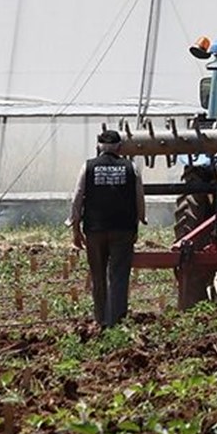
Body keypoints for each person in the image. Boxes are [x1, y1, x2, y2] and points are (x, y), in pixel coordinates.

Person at [69, 129, 146, 329]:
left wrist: (75, 227)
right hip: (123, 230)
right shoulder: (132, 168)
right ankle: (116, 321)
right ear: (120, 148)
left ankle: (101, 319)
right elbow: (139, 198)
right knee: (119, 275)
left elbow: (77, 197)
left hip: (95, 230)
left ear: (98, 147)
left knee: (98, 274)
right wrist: (140, 221)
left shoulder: (88, 167)